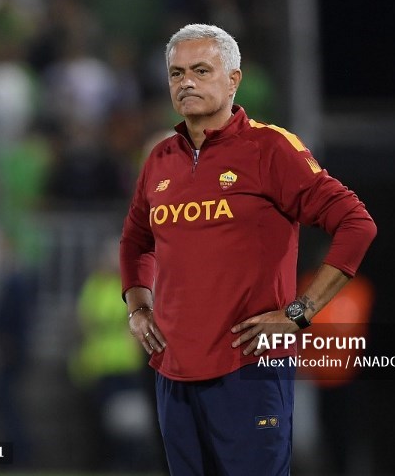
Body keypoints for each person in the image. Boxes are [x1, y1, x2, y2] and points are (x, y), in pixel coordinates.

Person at [120, 23, 376, 475]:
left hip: (250, 368)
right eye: (177, 73)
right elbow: (135, 240)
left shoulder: (270, 148)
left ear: (234, 79)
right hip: (174, 372)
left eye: (201, 70)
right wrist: (138, 307)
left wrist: (300, 312)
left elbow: (356, 224)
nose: (186, 82)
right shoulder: (159, 159)